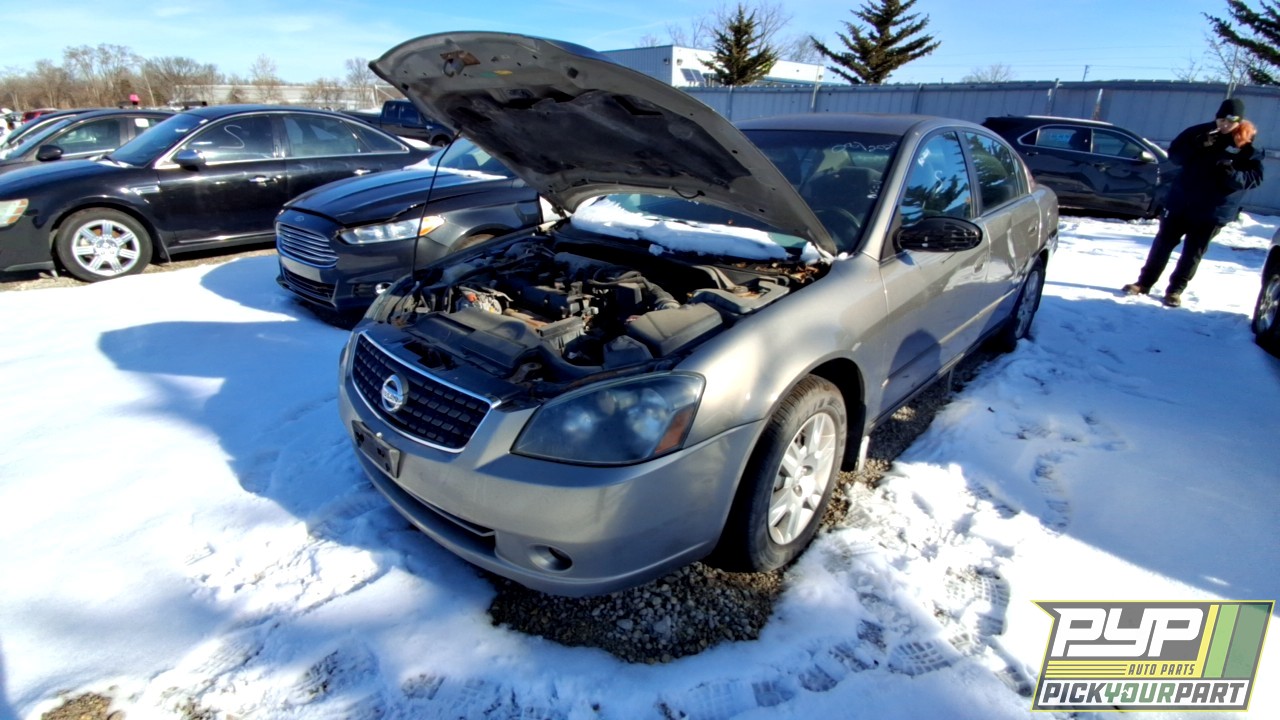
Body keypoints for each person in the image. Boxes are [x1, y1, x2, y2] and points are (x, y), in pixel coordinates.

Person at [1123, 98, 1264, 307]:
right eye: (1221, 120)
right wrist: (1194, 147)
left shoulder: (1245, 144)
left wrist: (1231, 174)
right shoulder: (1197, 133)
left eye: (1230, 122)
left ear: (1239, 122)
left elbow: (1255, 178)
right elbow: (1175, 156)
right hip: (1181, 201)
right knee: (1162, 245)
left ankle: (1175, 291)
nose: (1224, 125)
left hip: (1213, 209)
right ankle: (1144, 283)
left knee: (1192, 252)